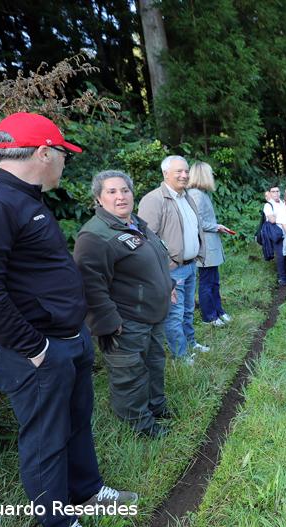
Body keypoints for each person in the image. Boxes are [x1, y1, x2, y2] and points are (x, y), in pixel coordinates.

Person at [0, 113, 136, 527]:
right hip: (32, 348)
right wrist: (36, 349)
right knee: (46, 438)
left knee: (76, 421)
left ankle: (85, 492)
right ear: (45, 153)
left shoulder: (26, 199)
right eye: (63, 154)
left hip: (68, 337)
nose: (65, 163)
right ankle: (58, 520)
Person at [74, 170, 174, 439]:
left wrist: (168, 288)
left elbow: (153, 260)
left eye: (125, 190)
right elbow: (89, 286)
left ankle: (156, 409)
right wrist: (110, 324)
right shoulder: (95, 236)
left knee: (153, 364)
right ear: (99, 199)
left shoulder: (136, 224)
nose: (121, 197)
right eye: (112, 192)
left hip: (151, 316)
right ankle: (139, 426)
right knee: (130, 375)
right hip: (125, 322)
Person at [138, 155, 209, 364]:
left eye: (186, 171)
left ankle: (191, 343)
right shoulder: (154, 200)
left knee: (187, 310)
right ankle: (181, 355)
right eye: (179, 171)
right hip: (171, 270)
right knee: (174, 315)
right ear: (165, 173)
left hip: (189, 265)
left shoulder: (186, 197)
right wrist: (161, 273)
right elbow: (147, 240)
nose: (184, 175)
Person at [187, 162, 232, 327]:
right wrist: (216, 227)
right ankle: (209, 317)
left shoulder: (202, 193)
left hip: (210, 245)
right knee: (207, 282)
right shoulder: (196, 194)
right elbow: (197, 222)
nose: (212, 176)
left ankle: (218, 310)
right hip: (205, 247)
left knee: (214, 281)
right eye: (210, 173)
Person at [262, 183, 286, 286]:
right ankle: (282, 278)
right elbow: (272, 220)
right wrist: (281, 216)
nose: (276, 193)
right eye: (273, 192)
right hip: (277, 233)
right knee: (280, 255)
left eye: (277, 191)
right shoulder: (268, 205)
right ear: (270, 193)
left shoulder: (282, 202)